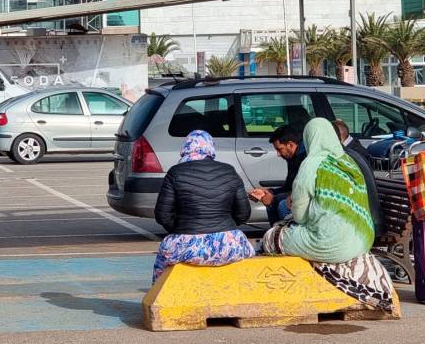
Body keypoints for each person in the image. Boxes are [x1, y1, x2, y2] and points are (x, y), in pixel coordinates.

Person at [262, 118, 394, 312]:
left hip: (330, 244)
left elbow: (299, 217)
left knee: (271, 237)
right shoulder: (349, 161)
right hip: (363, 241)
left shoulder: (311, 164)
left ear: (309, 139)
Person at [152, 130, 254, 282]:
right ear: (211, 148)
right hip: (229, 244)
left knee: (162, 259)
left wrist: (182, 229)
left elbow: (162, 215)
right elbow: (243, 214)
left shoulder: (175, 172)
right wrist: (225, 228)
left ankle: (160, 295)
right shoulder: (229, 171)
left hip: (187, 245)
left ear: (186, 148)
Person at [248, 125, 306, 225]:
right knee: (273, 200)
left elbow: (302, 191)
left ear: (290, 145)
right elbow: (289, 187)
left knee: (282, 204)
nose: (278, 154)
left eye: (279, 149)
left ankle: (283, 236)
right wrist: (268, 192)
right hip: (296, 195)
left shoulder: (306, 158)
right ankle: (275, 235)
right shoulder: (292, 157)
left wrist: (273, 198)